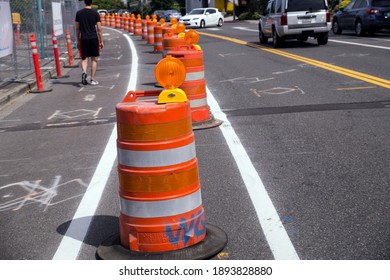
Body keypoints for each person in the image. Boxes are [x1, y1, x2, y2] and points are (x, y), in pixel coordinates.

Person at [75, 0, 104, 86]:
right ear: (91, 2)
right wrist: (101, 40)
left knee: (84, 58)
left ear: (84, 2)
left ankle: (84, 72)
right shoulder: (95, 13)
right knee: (94, 59)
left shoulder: (79, 13)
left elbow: (77, 28)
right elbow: (99, 28)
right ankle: (92, 79)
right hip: (93, 38)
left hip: (84, 38)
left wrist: (78, 40)